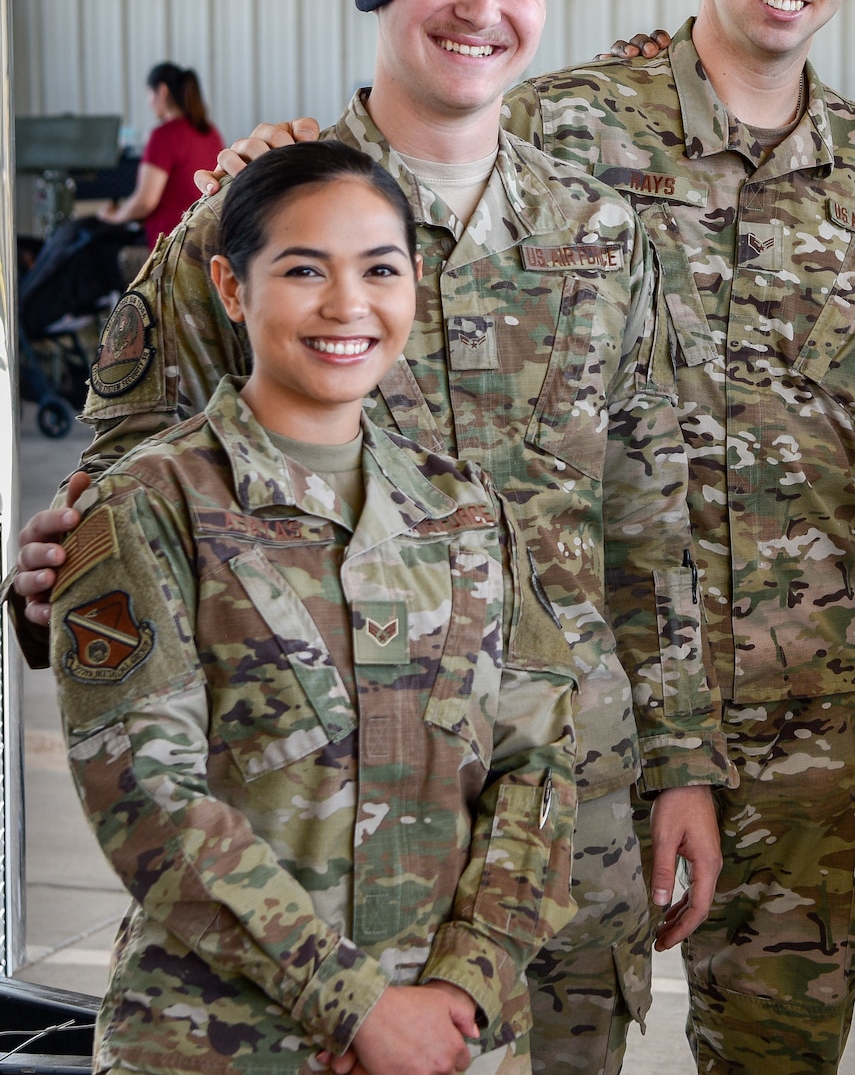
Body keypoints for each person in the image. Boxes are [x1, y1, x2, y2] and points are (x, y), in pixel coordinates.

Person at [185, 0, 855, 1075]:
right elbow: (414, 144)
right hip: (424, 755)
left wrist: (676, 749)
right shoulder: (565, 132)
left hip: (762, 724)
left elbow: (838, 433)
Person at [9, 0, 700, 1075]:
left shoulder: (600, 235)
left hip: (558, 811)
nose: (482, 10)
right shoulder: (248, 222)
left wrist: (684, 765)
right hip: (299, 850)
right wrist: (44, 579)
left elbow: (650, 519)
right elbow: (109, 496)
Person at [51, 140, 578, 1075]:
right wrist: (357, 1006)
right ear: (229, 284)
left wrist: (462, 988)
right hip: (223, 1044)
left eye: (379, 269)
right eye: (303, 270)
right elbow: (151, 803)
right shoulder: (147, 504)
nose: (348, 305)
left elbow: (538, 764)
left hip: (451, 1045)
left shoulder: (465, 510)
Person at [102, 62, 225, 249]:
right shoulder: (211, 133)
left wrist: (113, 215)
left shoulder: (164, 135)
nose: (149, 101)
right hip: (208, 239)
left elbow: (145, 202)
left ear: (162, 91)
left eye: (149, 94)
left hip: (169, 243)